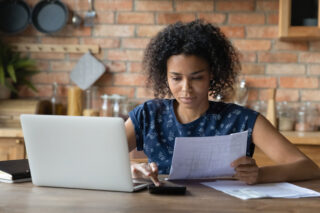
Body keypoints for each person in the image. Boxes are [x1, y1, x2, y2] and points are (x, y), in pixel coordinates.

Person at [125, 20, 320, 186]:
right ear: (164, 76)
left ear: (212, 75)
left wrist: (260, 175)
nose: (186, 88)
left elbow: (308, 168)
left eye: (197, 78)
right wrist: (129, 168)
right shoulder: (148, 115)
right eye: (176, 78)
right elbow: (97, 157)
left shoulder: (241, 120)